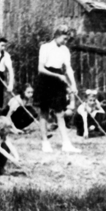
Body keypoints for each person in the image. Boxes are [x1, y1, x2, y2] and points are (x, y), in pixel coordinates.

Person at [34, 25, 80, 153]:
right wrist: (58, 75)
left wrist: (74, 84)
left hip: (58, 81)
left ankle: (66, 143)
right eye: (64, 39)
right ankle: (45, 142)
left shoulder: (65, 50)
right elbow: (40, 68)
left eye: (67, 40)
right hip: (45, 79)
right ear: (57, 36)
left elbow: (68, 68)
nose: (66, 42)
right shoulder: (45, 47)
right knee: (44, 112)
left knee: (60, 113)